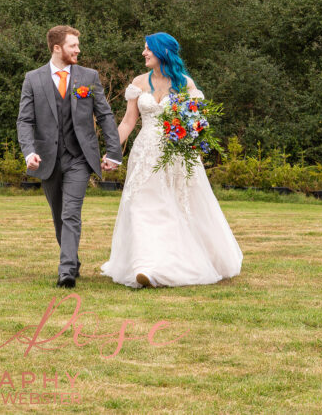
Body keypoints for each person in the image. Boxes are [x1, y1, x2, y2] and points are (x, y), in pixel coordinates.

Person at [100, 32, 243, 288]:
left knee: (174, 209)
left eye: (148, 49)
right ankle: (144, 266)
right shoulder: (138, 83)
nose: (144, 53)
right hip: (145, 155)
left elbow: (196, 126)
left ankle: (168, 265)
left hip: (176, 155)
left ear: (162, 52)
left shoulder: (185, 84)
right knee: (140, 207)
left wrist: (191, 143)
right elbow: (128, 121)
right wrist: (112, 150)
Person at [17, 25, 123, 288]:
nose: (78, 49)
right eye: (73, 45)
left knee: (70, 213)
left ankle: (65, 272)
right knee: (58, 216)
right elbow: (25, 120)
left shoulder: (89, 77)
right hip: (47, 158)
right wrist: (29, 152)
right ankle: (72, 261)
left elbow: (105, 115)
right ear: (57, 48)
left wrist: (113, 152)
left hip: (79, 158)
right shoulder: (33, 78)